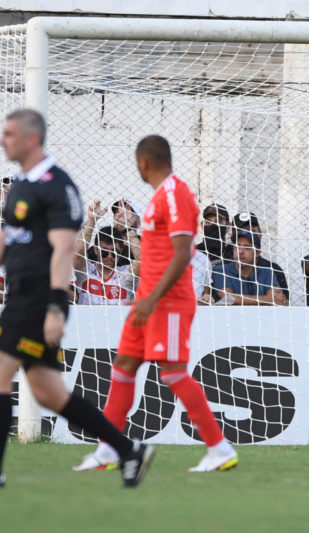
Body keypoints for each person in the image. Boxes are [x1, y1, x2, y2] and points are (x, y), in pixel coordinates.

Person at [0, 108, 153, 488]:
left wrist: (55, 306)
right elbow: (8, 241)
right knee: (49, 393)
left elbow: (64, 250)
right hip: (20, 294)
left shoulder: (57, 185)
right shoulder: (20, 184)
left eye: (10, 133)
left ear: (32, 138)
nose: (4, 140)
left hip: (37, 299)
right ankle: (128, 449)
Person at [73, 135, 237, 473]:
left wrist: (151, 299)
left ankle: (219, 448)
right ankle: (109, 449)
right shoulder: (161, 196)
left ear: (143, 162)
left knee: (173, 373)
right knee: (123, 366)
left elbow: (181, 257)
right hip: (147, 300)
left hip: (168, 302)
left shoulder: (176, 194)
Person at [211, 229, 287, 305]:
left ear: (257, 253)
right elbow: (228, 298)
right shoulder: (221, 270)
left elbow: (278, 298)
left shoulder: (267, 272)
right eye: (237, 247)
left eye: (247, 248)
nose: (240, 252)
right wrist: (268, 299)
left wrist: (274, 299)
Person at [231, 211, 290, 301]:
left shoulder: (273, 269)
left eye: (252, 229)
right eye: (242, 230)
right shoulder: (223, 268)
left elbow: (284, 302)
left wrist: (279, 298)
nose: (248, 233)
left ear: (260, 234)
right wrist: (268, 299)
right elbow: (222, 300)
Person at [73, 223, 136, 305]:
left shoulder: (126, 273)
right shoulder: (85, 270)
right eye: (104, 252)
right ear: (96, 250)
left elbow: (143, 260)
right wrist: (91, 220)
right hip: (87, 317)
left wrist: (131, 234)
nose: (110, 256)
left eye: (114, 252)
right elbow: (78, 254)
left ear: (120, 252)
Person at [196, 203, 230, 268]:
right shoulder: (195, 253)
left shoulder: (233, 252)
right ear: (202, 225)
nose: (213, 225)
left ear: (228, 226)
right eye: (208, 222)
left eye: (219, 221)